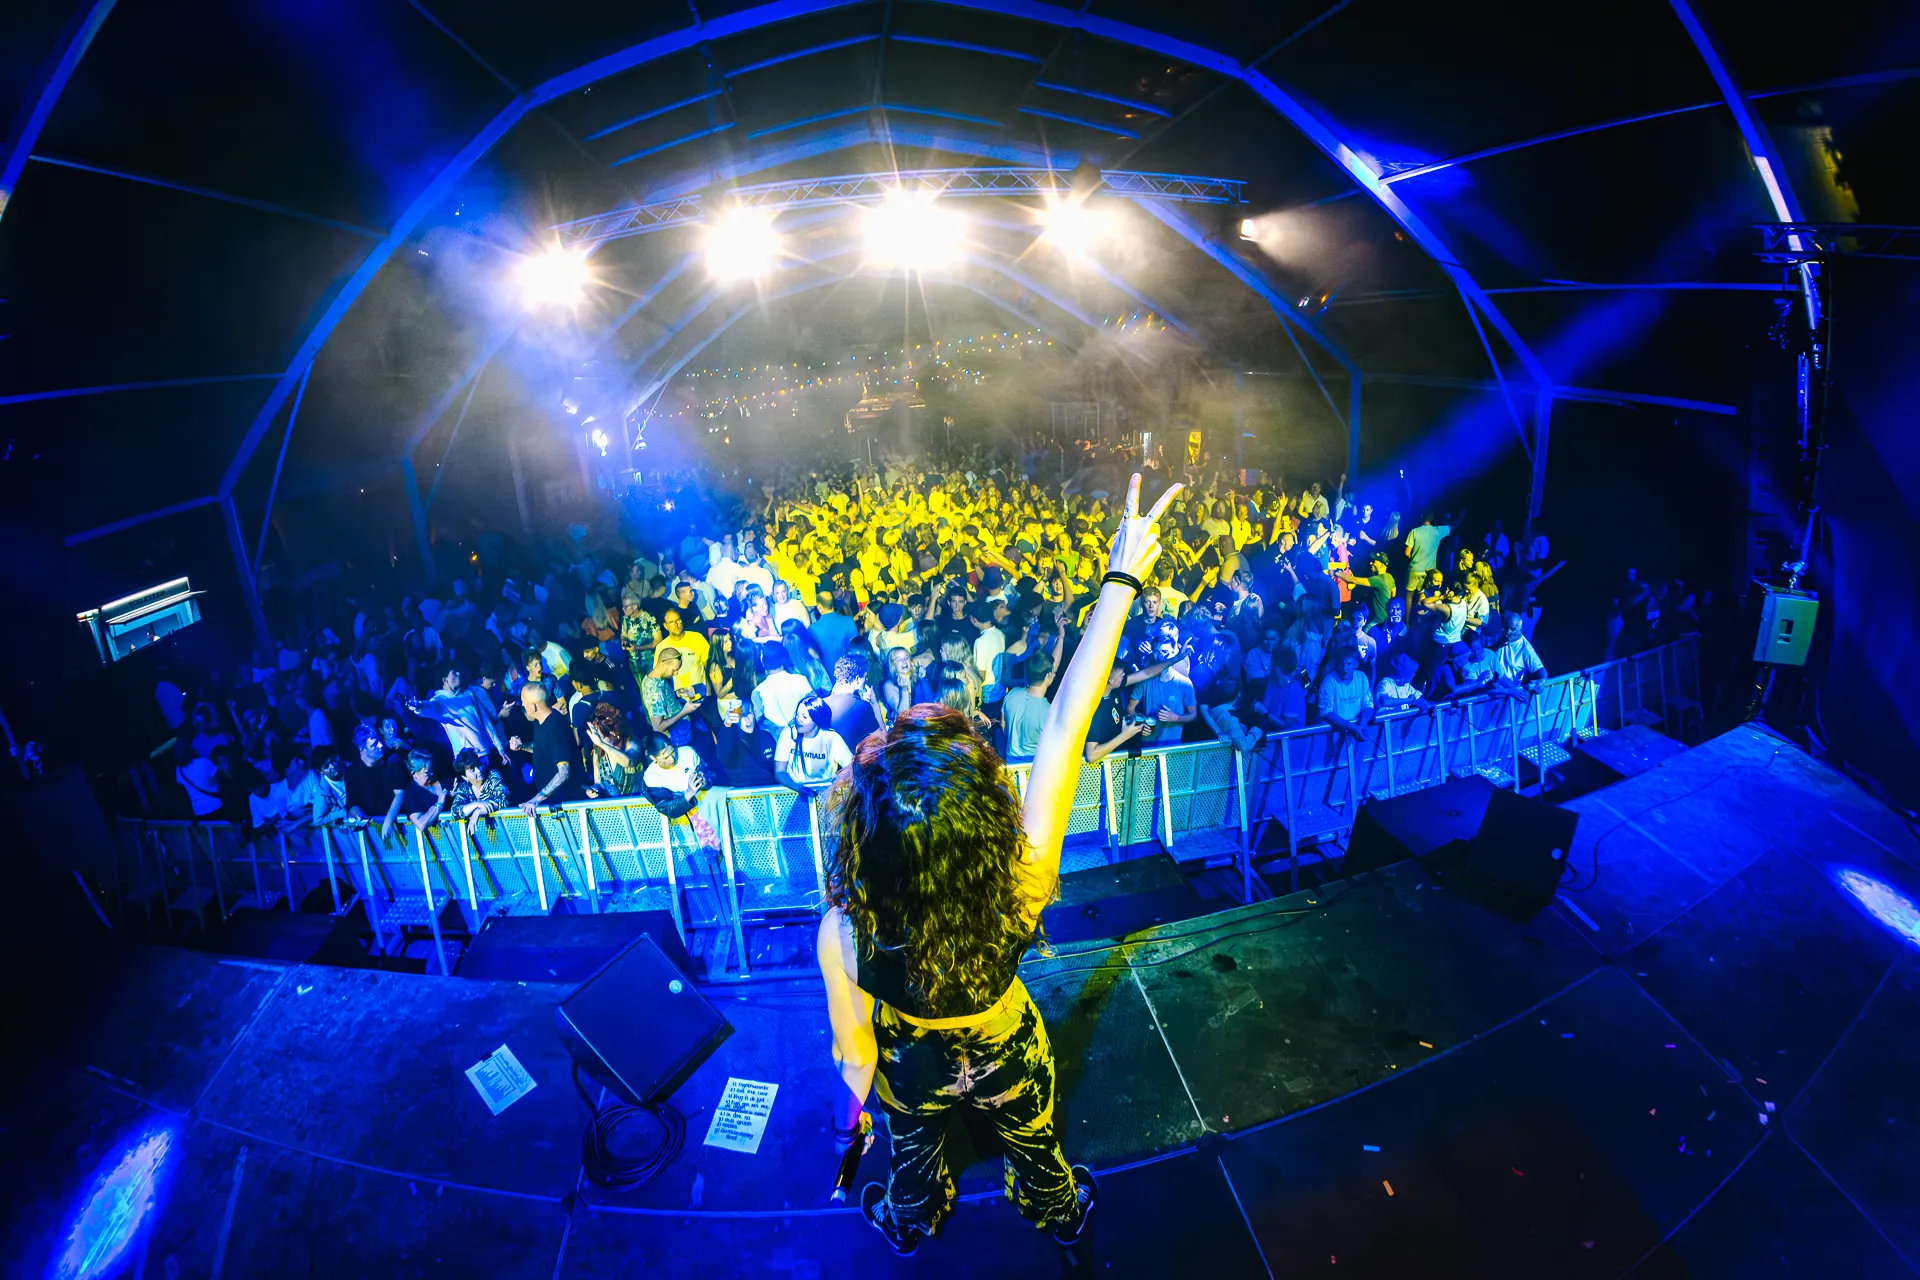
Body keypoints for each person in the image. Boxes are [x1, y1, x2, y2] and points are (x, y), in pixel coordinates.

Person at [823, 472, 1179, 1256]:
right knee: (1035, 1138)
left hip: (913, 1063)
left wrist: (851, 1128)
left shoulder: (844, 932)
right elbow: (1066, 728)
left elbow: (855, 1057)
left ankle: (910, 1218)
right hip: (1007, 1043)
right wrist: (1120, 579)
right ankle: (1059, 1211)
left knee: (912, 1153)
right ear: (981, 814)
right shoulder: (1023, 877)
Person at [411, 662, 508, 761]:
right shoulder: (440, 701)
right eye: (454, 673)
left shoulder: (469, 694)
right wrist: (418, 706)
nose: (458, 674)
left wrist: (500, 747)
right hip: (467, 759)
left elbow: (486, 722)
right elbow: (429, 707)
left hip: (485, 751)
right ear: (445, 680)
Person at [514, 683, 583, 814]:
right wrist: (522, 746)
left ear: (533, 706)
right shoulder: (539, 722)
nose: (522, 704)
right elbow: (545, 750)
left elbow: (564, 772)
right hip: (552, 801)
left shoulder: (555, 726)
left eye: (524, 701)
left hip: (566, 803)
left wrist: (537, 798)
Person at [774, 694, 852, 796]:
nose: (799, 719)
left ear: (816, 719)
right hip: (794, 794)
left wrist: (837, 782)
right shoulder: (788, 733)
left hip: (825, 795)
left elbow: (852, 768)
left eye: (804, 717)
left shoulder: (831, 738)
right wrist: (798, 788)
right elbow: (780, 772)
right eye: (797, 715)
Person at [998, 649, 1055, 762]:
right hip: (1033, 766)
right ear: (1047, 675)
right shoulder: (1048, 710)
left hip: (1011, 764)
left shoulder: (1011, 694)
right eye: (1053, 671)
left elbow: (1003, 724)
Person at [824, 653, 885, 749]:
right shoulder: (862, 706)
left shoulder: (823, 703)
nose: (866, 679)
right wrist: (874, 704)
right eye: (865, 676)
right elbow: (883, 739)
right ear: (857, 679)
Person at [1316, 646, 1373, 746]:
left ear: (1356, 664)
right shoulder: (1329, 682)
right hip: (1333, 736)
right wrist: (1351, 727)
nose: (1344, 668)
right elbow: (1326, 712)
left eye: (1348, 664)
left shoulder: (1362, 678)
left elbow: (1368, 705)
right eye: (1341, 664)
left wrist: (1362, 722)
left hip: (1357, 733)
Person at [751, 647, 813, 738]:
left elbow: (755, 720)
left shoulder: (759, 691)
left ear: (763, 662)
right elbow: (815, 705)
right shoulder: (801, 680)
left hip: (777, 739)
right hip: (805, 734)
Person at [448, 748, 508, 820]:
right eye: (473, 770)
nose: (479, 771)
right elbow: (455, 812)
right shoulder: (464, 787)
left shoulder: (493, 776)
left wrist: (477, 812)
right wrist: (476, 804)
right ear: (465, 777)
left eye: (478, 765)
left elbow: (503, 801)